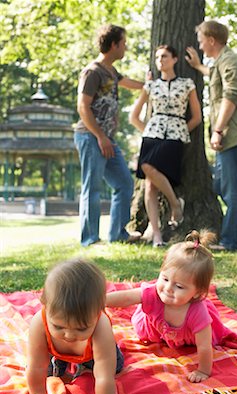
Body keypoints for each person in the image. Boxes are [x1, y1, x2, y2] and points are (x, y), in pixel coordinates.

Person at [106, 230, 233, 383]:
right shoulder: (153, 293)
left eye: (179, 286)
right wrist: (100, 301)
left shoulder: (198, 312)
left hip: (189, 336)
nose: (168, 288)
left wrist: (203, 371)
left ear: (197, 292)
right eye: (165, 279)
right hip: (155, 327)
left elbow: (204, 346)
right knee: (142, 315)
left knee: (207, 338)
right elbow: (126, 297)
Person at [185, 20, 237, 250]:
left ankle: (234, 241)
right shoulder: (222, 61)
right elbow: (215, 75)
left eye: (201, 41)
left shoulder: (231, 60)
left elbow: (231, 97)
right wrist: (199, 66)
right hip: (231, 133)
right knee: (222, 186)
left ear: (212, 40)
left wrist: (218, 130)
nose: (200, 46)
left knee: (232, 190)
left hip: (234, 134)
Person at [26, 258, 124, 394]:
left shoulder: (101, 327)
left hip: (95, 355)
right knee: (47, 372)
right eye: (59, 327)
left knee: (115, 367)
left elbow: (104, 377)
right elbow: (35, 364)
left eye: (81, 328)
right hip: (57, 353)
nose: (69, 336)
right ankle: (66, 362)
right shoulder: (39, 323)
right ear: (45, 306)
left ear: (97, 312)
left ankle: (82, 365)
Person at [74, 24, 144, 247]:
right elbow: (83, 107)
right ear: (113, 45)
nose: (125, 47)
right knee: (91, 187)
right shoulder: (93, 71)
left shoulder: (111, 72)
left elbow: (130, 84)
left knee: (124, 182)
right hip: (91, 137)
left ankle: (118, 233)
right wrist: (100, 137)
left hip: (107, 139)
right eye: (123, 43)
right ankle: (90, 238)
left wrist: (153, 84)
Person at [130, 45, 202, 247]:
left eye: (165, 56)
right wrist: (148, 129)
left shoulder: (187, 84)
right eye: (158, 57)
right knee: (149, 183)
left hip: (175, 135)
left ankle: (174, 204)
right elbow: (133, 117)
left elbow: (197, 117)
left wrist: (180, 129)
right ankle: (158, 235)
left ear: (175, 59)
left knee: (148, 169)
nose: (160, 60)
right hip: (152, 135)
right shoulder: (150, 86)